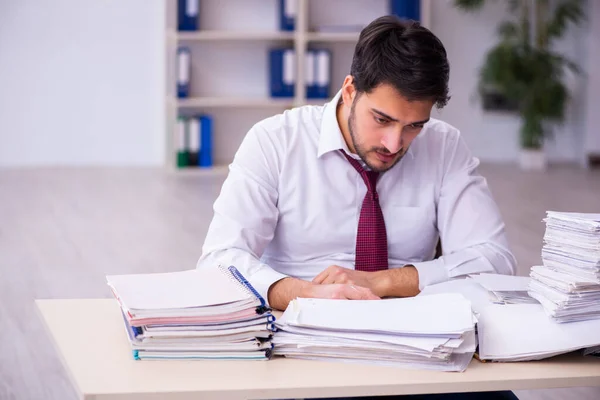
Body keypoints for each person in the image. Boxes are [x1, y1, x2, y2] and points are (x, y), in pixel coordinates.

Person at [198, 15, 518, 400]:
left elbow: (495, 258)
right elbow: (218, 260)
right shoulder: (275, 142)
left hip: (416, 347)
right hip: (301, 346)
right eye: (382, 119)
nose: (394, 142)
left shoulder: (444, 146)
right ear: (349, 90)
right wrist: (299, 292)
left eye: (414, 125)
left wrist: (385, 281)